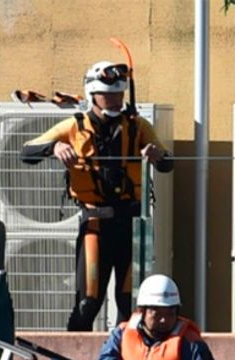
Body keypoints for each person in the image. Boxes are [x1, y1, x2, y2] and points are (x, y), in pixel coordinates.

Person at [21, 60, 174, 331]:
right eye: (109, 94)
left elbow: (167, 163)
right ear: (93, 94)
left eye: (120, 93)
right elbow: (27, 151)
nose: (116, 99)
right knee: (88, 302)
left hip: (131, 224)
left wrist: (157, 154)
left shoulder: (138, 125)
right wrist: (54, 147)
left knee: (130, 304)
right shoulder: (74, 126)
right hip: (95, 224)